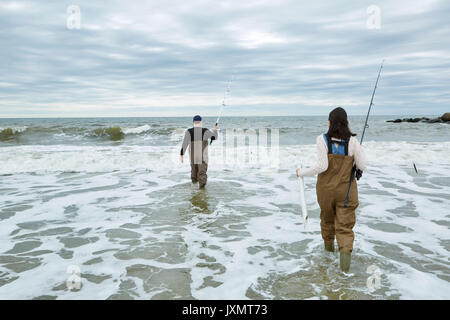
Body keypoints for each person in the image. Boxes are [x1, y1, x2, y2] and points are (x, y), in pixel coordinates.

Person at [296, 107, 367, 272]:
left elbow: (322, 166)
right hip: (346, 192)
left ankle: (327, 263)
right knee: (344, 228)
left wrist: (302, 173)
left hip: (326, 191)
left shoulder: (322, 139)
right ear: (346, 123)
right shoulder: (353, 141)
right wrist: (360, 150)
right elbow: (363, 165)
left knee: (327, 223)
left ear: (330, 122)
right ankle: (344, 273)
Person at [180, 115, 219, 188]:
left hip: (193, 155)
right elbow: (214, 137)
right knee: (202, 172)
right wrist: (215, 130)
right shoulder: (205, 130)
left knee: (194, 172)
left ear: (193, 122)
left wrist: (181, 155)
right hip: (202, 156)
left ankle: (194, 191)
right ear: (201, 122)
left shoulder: (189, 131)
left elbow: (185, 143)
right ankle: (201, 191)